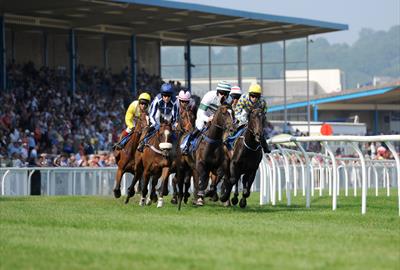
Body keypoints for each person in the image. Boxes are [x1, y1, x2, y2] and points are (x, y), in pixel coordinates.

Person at [181, 81, 231, 155]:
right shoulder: (209, 96)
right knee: (200, 127)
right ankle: (186, 145)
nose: (223, 96)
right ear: (217, 92)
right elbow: (200, 113)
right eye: (221, 93)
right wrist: (208, 119)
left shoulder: (228, 100)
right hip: (204, 117)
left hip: (218, 121)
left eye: (226, 94)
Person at [137, 83, 178, 152]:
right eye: (164, 96)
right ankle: (143, 142)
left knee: (173, 131)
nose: (166, 98)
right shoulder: (157, 99)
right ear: (162, 95)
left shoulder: (175, 101)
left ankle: (177, 147)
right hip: (158, 114)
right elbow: (152, 115)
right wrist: (155, 124)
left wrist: (172, 126)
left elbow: (175, 116)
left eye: (168, 96)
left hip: (169, 115)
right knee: (153, 127)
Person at [234, 83, 269, 153]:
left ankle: (265, 147)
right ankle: (232, 140)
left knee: (259, 129)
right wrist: (242, 120)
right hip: (245, 113)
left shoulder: (262, 101)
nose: (254, 98)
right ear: (249, 95)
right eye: (252, 96)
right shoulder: (243, 98)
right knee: (237, 125)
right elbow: (237, 112)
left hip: (256, 115)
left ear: (260, 96)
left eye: (257, 96)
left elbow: (264, 112)